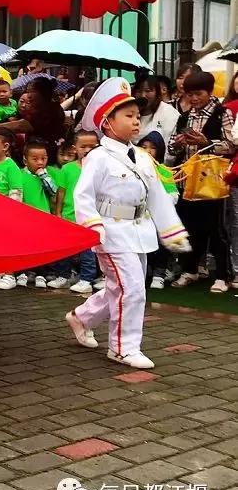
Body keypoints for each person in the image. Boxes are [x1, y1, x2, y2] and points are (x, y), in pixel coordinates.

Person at [66, 78, 190, 369]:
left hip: (139, 231)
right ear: (107, 123)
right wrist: (94, 227)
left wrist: (172, 232)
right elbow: (83, 195)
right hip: (110, 232)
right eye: (128, 116)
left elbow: (157, 196)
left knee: (120, 287)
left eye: (137, 116)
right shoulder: (97, 157)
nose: (136, 122)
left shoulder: (144, 158)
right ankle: (122, 347)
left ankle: (81, 317)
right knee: (131, 289)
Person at [168, 70, 235, 292]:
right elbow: (170, 149)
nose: (194, 99)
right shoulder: (185, 117)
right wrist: (178, 144)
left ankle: (223, 275)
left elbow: (231, 145)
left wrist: (206, 141)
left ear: (209, 92)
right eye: (190, 95)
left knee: (217, 228)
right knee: (190, 227)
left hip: (212, 181)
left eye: (198, 94)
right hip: (187, 180)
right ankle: (190, 270)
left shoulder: (221, 112)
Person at [50, 130, 101, 294]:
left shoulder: (99, 168)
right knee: (65, 249)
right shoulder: (67, 168)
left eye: (92, 146)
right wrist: (58, 213)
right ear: (74, 148)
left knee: (88, 251)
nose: (87, 150)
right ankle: (62, 276)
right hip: (69, 215)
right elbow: (61, 192)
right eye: (83, 146)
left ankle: (86, 279)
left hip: (90, 217)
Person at [0, 126, 24, 291]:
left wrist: (9, 211)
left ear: (5, 147)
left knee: (8, 244)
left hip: (6, 213)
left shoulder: (10, 166)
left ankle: (9, 274)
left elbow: (16, 190)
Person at [137, 131, 179, 290]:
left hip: (158, 218)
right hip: (139, 217)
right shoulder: (133, 168)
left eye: (152, 148)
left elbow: (173, 195)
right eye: (143, 146)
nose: (147, 151)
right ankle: (145, 271)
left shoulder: (164, 170)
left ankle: (159, 274)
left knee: (162, 245)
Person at [16, 138, 59, 289]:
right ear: (25, 160)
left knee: (41, 246)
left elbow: (54, 191)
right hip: (24, 218)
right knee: (23, 245)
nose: (40, 162)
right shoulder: (19, 175)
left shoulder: (48, 174)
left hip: (43, 217)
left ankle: (41, 273)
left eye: (43, 158)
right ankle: (21, 272)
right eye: (35, 159)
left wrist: (43, 175)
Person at [134, 75, 180, 152]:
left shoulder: (169, 113)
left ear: (157, 92)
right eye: (139, 91)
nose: (143, 95)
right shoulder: (131, 111)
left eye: (148, 91)